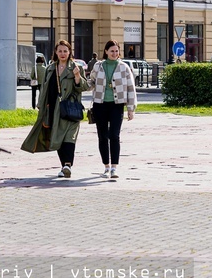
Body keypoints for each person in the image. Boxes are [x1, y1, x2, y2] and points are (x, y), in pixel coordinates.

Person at [21, 40, 89, 178]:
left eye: (65, 51)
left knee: (70, 137)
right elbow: (44, 89)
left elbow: (83, 87)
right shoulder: (50, 68)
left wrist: (77, 76)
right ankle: (64, 166)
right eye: (60, 51)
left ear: (69, 52)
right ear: (56, 52)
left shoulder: (76, 67)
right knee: (57, 137)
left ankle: (67, 165)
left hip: (70, 108)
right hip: (53, 108)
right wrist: (41, 105)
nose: (62, 54)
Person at [88, 40, 137, 180]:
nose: (114, 53)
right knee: (102, 136)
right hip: (100, 104)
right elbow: (91, 82)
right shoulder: (98, 66)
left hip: (117, 105)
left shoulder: (124, 67)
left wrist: (130, 108)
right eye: (112, 51)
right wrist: (80, 82)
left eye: (116, 51)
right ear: (106, 52)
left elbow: (130, 88)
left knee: (114, 136)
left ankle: (114, 167)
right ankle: (106, 167)